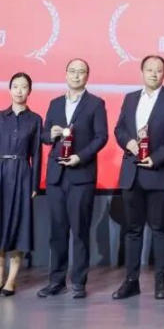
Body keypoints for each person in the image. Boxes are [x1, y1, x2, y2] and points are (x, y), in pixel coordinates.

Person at [112, 55, 164, 300]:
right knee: (132, 231)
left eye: (159, 70)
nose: (154, 74)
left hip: (158, 173)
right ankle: (131, 282)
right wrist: (128, 142)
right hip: (131, 173)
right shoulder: (130, 98)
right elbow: (119, 129)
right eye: (149, 69)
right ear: (142, 72)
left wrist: (156, 157)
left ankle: (160, 283)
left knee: (159, 229)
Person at [38, 58, 108, 299]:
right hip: (57, 175)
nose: (76, 75)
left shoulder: (96, 104)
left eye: (81, 72)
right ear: (65, 74)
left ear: (87, 76)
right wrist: (51, 134)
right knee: (57, 231)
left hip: (81, 174)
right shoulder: (55, 103)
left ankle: (78, 281)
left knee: (79, 230)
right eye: (72, 71)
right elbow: (44, 135)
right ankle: (56, 281)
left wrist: (81, 156)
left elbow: (101, 137)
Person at [0, 72, 42, 297]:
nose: (19, 91)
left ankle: (11, 281)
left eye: (24, 87)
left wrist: (34, 184)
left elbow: (37, 154)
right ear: (9, 89)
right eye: (15, 86)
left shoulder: (35, 120)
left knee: (18, 228)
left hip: (22, 175)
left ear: (29, 91)